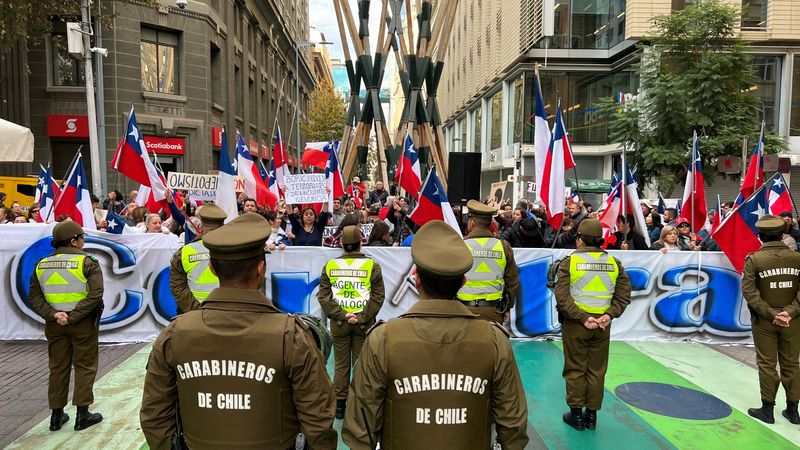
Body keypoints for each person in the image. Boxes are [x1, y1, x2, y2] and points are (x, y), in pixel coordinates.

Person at [140, 213, 338, 449]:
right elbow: (319, 420)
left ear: (213, 268)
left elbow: (154, 415)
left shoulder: (174, 334)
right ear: (261, 268)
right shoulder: (292, 335)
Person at [341, 220, 529, 449]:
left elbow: (360, 427)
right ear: (463, 282)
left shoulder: (383, 339)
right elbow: (513, 426)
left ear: (417, 279)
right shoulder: (495, 341)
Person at [554, 219, 631, 431]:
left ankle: (576, 415)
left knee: (575, 367)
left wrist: (582, 317)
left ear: (579, 240)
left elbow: (562, 298)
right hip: (602, 326)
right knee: (597, 370)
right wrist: (608, 316)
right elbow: (623, 296)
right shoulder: (614, 263)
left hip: (577, 324)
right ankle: (591, 416)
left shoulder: (569, 263)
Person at [29, 220, 104, 431]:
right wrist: (73, 316)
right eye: (82, 237)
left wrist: (54, 315)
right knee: (85, 366)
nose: (83, 240)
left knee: (58, 368)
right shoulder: (88, 262)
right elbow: (96, 294)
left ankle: (56, 416)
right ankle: (83, 414)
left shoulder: (41, 264)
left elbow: (34, 296)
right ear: (74, 240)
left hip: (54, 325)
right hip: (82, 323)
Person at [318, 225, 385, 420]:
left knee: (340, 364)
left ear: (341, 243)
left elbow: (324, 297)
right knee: (360, 364)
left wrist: (341, 314)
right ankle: (358, 405)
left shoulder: (330, 266)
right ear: (360, 243)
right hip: (363, 323)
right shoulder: (372, 266)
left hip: (339, 324)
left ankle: (339, 406)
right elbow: (378, 297)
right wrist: (362, 316)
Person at [742, 215, 800, 425]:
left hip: (765, 320)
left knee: (767, 364)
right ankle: (793, 411)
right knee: (792, 364)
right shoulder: (797, 258)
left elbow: (749, 291)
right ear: (782, 234)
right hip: (793, 320)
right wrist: (790, 312)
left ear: (760, 236)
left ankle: (767, 410)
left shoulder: (754, 259)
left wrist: (771, 313)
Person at [457, 200, 521, 323]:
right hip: (494, 311)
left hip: (464, 310)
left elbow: (451, 281)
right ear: (490, 223)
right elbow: (512, 282)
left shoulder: (460, 246)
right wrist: (506, 308)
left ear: (472, 222)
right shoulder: (503, 246)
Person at [169, 204, 227, 314]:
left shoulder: (184, 251)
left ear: (201, 226)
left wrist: (199, 310)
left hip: (194, 315)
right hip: (227, 314)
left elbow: (178, 288)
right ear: (223, 226)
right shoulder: (235, 249)